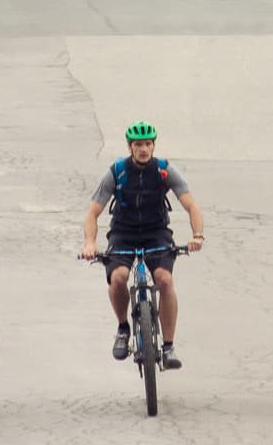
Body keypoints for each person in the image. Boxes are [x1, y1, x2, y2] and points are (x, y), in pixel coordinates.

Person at [81, 122, 203, 371]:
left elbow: (191, 205)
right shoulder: (116, 172)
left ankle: (168, 346)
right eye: (138, 145)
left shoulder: (164, 171)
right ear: (130, 147)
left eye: (148, 144)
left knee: (165, 280)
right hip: (123, 233)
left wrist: (197, 235)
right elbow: (92, 213)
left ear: (153, 145)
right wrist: (90, 243)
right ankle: (123, 328)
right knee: (118, 278)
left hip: (156, 233)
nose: (144, 149)